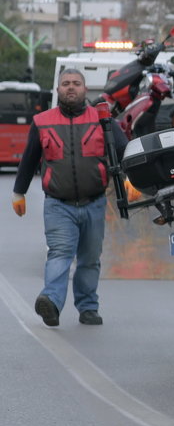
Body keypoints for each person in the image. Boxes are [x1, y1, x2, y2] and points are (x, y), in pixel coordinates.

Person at [12, 68, 127, 327]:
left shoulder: (103, 119)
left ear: (86, 89)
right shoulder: (42, 121)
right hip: (58, 204)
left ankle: (88, 308)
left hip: (95, 202)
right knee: (60, 253)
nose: (71, 87)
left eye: (76, 83)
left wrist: (134, 179)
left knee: (89, 259)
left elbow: (124, 151)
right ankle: (51, 301)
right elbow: (29, 159)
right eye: (66, 84)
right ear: (58, 89)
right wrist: (19, 192)